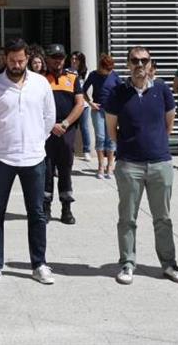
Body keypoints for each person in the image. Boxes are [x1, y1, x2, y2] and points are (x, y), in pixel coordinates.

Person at [104, 46, 178, 286]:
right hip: (129, 164)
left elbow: (168, 125)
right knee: (127, 218)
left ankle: (169, 264)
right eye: (135, 60)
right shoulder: (118, 92)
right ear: (128, 64)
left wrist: (155, 145)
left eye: (144, 60)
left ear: (151, 63)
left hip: (160, 163)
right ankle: (127, 263)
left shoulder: (162, 90)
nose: (140, 64)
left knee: (163, 218)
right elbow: (112, 129)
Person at [0, 38, 56, 286]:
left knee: (36, 213)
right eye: (12, 61)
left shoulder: (40, 83)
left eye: (21, 60)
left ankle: (39, 264)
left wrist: (36, 141)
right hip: (3, 158)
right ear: (5, 59)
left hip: (34, 158)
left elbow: (49, 117)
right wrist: (1, 143)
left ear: (27, 58)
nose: (17, 64)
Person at [43, 44, 85, 225]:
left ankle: (66, 209)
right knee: (46, 170)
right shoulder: (40, 79)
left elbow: (80, 104)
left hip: (67, 130)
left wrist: (65, 123)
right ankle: (45, 209)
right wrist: (51, 124)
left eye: (60, 57)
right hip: (46, 130)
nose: (57, 60)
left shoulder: (73, 78)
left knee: (65, 170)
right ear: (47, 59)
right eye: (53, 57)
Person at [83, 53, 122, 180]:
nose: (108, 72)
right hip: (98, 110)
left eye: (110, 70)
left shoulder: (115, 76)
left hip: (112, 111)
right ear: (101, 67)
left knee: (111, 138)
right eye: (106, 70)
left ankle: (110, 166)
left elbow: (122, 92)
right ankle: (101, 166)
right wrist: (90, 103)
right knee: (100, 137)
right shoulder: (94, 75)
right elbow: (83, 90)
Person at [69, 51, 94, 162]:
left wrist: (90, 102)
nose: (74, 61)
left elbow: (87, 89)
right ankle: (70, 150)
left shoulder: (86, 73)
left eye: (76, 59)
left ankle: (87, 151)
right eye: (72, 58)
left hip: (83, 105)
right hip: (71, 104)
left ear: (81, 61)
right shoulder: (67, 71)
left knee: (84, 128)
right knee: (71, 128)